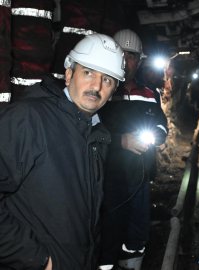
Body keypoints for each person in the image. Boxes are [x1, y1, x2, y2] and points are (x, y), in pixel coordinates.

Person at [0, 33, 125, 270]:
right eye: (88, 72)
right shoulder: (27, 120)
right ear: (68, 75)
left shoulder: (97, 135)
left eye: (107, 80)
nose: (96, 86)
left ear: (113, 91)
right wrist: (38, 260)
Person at [98, 29, 168, 270]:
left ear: (140, 61)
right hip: (108, 176)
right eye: (122, 55)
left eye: (132, 56)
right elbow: (87, 134)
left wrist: (158, 134)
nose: (126, 62)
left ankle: (132, 264)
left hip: (140, 175)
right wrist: (121, 141)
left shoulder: (150, 94)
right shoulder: (101, 92)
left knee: (137, 230)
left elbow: (162, 124)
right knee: (108, 228)